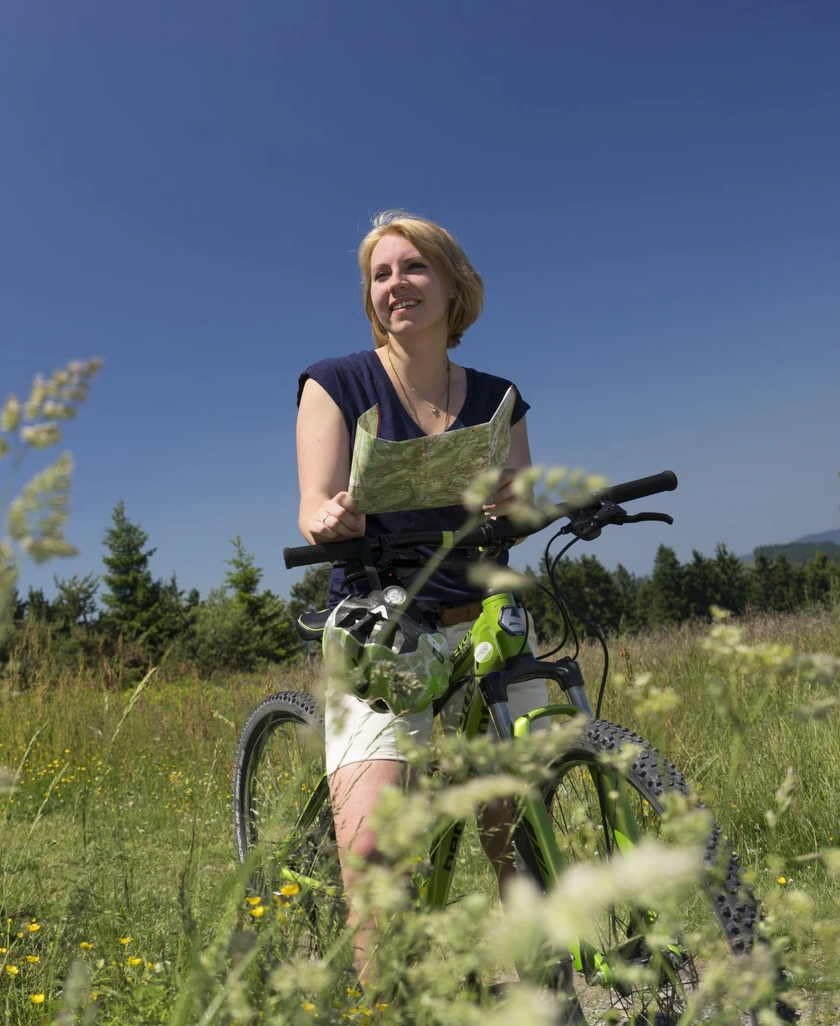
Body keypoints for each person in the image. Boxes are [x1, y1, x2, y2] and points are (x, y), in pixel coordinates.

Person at [293, 210, 550, 982]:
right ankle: (385, 1000)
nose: (395, 286)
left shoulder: (499, 398)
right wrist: (331, 514)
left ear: (451, 283)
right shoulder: (337, 381)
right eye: (381, 274)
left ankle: (544, 989)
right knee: (375, 853)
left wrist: (517, 503)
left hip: (484, 619)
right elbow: (312, 510)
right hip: (382, 624)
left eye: (413, 268)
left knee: (521, 829)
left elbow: (524, 513)